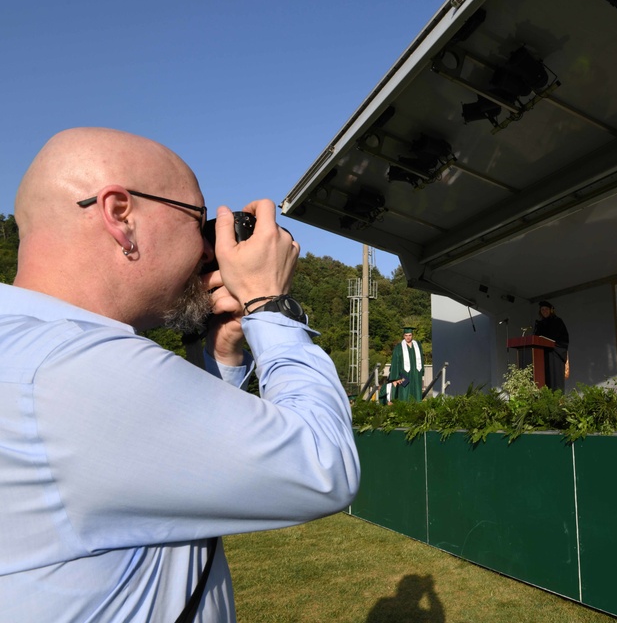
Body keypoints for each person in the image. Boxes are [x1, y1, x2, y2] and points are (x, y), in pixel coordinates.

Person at [0, 128, 360, 622]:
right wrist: (270, 304)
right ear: (120, 215)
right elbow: (323, 467)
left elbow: (173, 468)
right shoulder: (71, 365)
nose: (210, 250)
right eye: (198, 222)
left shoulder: (27, 352)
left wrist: (221, 356)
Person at [532, 300, 569, 391]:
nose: (544, 311)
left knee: (555, 380)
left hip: (555, 353)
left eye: (546, 309)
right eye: (542, 309)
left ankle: (558, 403)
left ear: (551, 310)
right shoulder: (540, 324)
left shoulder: (557, 321)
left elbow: (562, 339)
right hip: (543, 355)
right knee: (544, 380)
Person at [388, 327, 424, 401]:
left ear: (412, 335)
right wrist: (396, 377)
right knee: (405, 394)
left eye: (410, 335)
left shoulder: (418, 345)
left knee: (417, 392)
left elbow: (422, 360)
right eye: (406, 335)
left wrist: (422, 371)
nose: (408, 337)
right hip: (404, 375)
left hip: (416, 374)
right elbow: (395, 362)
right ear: (403, 336)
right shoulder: (399, 347)